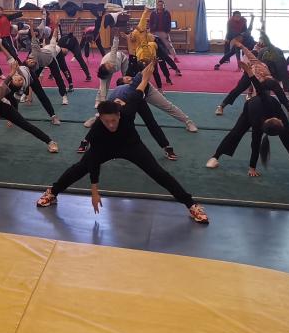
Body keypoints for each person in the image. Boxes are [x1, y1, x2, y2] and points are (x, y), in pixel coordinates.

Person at [37, 75, 208, 224]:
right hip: (106, 147)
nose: (111, 125)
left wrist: (147, 72)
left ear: (119, 114)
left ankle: (191, 205)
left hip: (131, 145)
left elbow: (140, 89)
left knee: (158, 172)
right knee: (80, 168)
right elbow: (94, 162)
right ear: (100, 118)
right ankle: (53, 192)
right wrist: (94, 191)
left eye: (113, 120)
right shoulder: (97, 131)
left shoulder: (128, 110)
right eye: (106, 121)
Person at [207, 67, 289, 177]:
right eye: (281, 122)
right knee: (236, 133)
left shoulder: (275, 114)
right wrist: (252, 167)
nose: (283, 121)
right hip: (250, 110)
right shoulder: (260, 117)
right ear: (275, 120)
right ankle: (215, 157)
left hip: (270, 109)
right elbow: (255, 143)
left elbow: (260, 88)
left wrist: (252, 167)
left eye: (281, 122)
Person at [148, 0, 181, 69]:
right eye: (159, 5)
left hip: (163, 31)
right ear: (157, 6)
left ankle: (175, 57)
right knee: (153, 46)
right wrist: (151, 30)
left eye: (161, 5)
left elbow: (169, 22)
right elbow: (150, 22)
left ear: (163, 5)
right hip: (155, 31)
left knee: (169, 45)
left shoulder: (167, 13)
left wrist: (167, 31)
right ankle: (152, 59)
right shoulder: (153, 13)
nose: (160, 6)